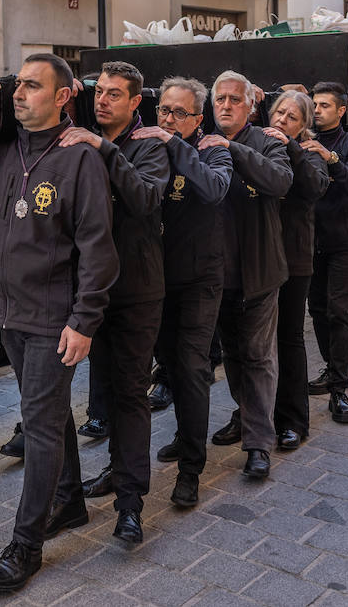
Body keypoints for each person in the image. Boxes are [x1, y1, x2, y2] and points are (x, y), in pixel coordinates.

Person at [0, 54, 117, 593]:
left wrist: (84, 319)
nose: (20, 94)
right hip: (3, 309)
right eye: (19, 85)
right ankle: (70, 500)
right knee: (48, 414)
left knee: (38, 421)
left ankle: (26, 541)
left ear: (62, 96)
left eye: (34, 87)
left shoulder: (80, 157)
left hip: (54, 318)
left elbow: (98, 249)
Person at [68, 61, 170, 545]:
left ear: (135, 102)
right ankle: (113, 470)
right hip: (92, 292)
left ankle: (130, 503)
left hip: (135, 291)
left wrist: (104, 149)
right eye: (99, 92)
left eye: (114, 94)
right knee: (104, 393)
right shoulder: (79, 137)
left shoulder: (150, 144)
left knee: (131, 395)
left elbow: (147, 198)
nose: (103, 100)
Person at [137, 77, 231, 508]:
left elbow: (213, 189)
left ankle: (192, 468)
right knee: (170, 367)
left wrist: (175, 145)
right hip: (157, 280)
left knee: (193, 369)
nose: (168, 119)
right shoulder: (150, 145)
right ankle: (182, 435)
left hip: (199, 279)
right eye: (164, 111)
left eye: (179, 113)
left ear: (198, 117)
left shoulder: (212, 148)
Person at [204, 71, 293, 480]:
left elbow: (280, 181)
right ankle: (245, 415)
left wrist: (234, 151)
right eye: (219, 98)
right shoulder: (201, 142)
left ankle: (259, 443)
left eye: (234, 99)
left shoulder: (267, 141)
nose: (225, 105)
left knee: (258, 357)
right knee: (234, 357)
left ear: (250, 105)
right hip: (216, 276)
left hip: (259, 272)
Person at [264, 90, 329, 450]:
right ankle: (252, 415)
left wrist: (291, 147)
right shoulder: (258, 143)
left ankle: (293, 420)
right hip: (258, 257)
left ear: (303, 125)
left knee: (288, 339)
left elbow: (314, 188)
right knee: (254, 345)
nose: (281, 121)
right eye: (278, 113)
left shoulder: (310, 154)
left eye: (291, 117)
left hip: (294, 258)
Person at [305, 81, 348, 426]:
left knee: (338, 311)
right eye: (314, 104)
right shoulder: (301, 140)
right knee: (316, 310)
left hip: (342, 241)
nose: (317, 110)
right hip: (308, 241)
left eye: (325, 105)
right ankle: (331, 369)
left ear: (341, 110)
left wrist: (330, 159)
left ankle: (340, 389)